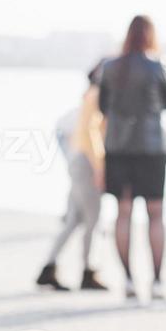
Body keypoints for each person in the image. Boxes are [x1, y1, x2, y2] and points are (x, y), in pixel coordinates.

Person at [90, 15, 166, 304]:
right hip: (151, 148)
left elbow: (102, 106)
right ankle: (158, 281)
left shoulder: (110, 66)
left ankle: (126, 279)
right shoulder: (157, 65)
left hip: (118, 149)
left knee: (123, 214)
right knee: (155, 214)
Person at [37, 86, 105, 291]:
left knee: (74, 219)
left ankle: (49, 267)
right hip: (87, 164)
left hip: (77, 161)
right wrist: (100, 168)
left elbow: (66, 131)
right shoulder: (97, 96)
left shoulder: (89, 98)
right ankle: (87, 272)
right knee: (92, 220)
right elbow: (89, 134)